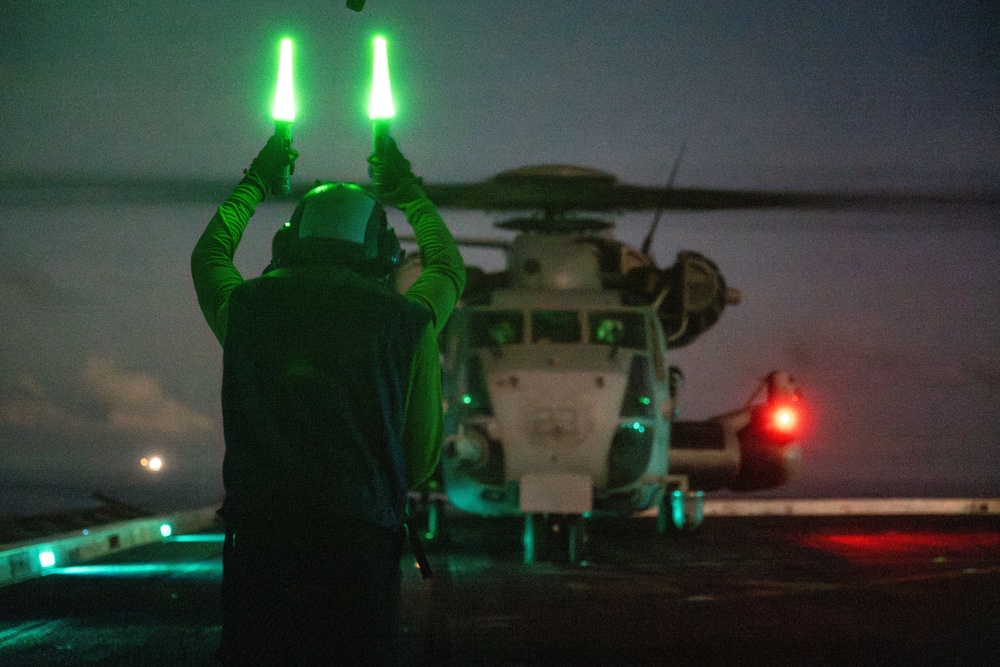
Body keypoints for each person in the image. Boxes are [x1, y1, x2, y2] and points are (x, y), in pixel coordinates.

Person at [191, 133, 465, 665]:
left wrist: (256, 181)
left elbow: (210, 256)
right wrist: (409, 192)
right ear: (384, 252)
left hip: (262, 543)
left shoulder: (246, 311)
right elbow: (418, 458)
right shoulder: (411, 324)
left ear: (286, 245)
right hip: (360, 548)